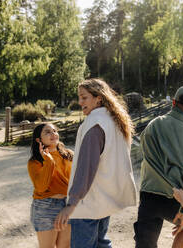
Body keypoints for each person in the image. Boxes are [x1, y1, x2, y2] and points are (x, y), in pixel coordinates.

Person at [54, 78, 137, 248]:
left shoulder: (94, 125)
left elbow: (86, 167)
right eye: (79, 97)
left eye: (84, 97)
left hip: (88, 202)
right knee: (101, 243)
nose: (80, 102)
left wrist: (72, 203)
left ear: (98, 98)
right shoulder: (114, 121)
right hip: (104, 199)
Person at [134, 85, 183, 248]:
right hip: (174, 198)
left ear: (174, 102)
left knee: (145, 243)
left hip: (149, 193)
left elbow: (144, 148)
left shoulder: (154, 124)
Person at [28, 123, 73, 248]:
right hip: (45, 206)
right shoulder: (34, 162)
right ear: (39, 140)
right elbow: (41, 188)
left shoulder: (69, 155)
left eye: (54, 130)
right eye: (47, 132)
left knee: (65, 246)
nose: (53, 134)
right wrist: (49, 162)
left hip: (68, 205)